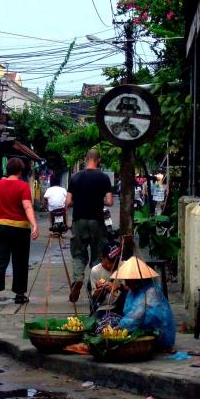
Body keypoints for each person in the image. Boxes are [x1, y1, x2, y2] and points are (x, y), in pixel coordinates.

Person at [0, 157, 38, 308]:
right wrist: (34, 224)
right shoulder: (23, 187)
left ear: (7, 170)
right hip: (19, 229)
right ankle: (20, 294)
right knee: (20, 261)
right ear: (20, 171)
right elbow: (27, 206)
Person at [65, 148, 114, 302]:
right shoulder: (104, 178)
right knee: (97, 255)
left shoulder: (75, 177)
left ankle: (77, 279)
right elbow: (110, 202)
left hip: (79, 220)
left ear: (86, 159)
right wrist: (101, 201)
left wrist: (78, 201)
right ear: (98, 160)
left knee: (78, 253)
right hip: (97, 221)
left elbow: (68, 202)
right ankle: (92, 286)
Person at [110, 256, 176, 350]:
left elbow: (137, 315)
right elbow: (128, 311)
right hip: (137, 327)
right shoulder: (133, 291)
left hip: (157, 332)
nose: (126, 282)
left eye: (129, 280)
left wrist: (120, 327)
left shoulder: (151, 291)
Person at [90, 243, 126, 316]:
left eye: (114, 262)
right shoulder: (96, 271)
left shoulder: (125, 266)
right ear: (102, 258)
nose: (111, 265)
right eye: (109, 262)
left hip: (124, 305)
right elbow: (96, 298)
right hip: (105, 307)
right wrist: (99, 290)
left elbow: (134, 289)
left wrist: (119, 286)